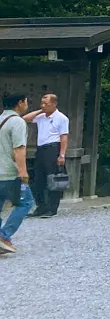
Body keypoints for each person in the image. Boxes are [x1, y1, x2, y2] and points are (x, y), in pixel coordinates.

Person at [23, 89, 67, 218]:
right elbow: (25, 118)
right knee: (38, 179)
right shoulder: (41, 117)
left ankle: (52, 208)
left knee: (52, 178)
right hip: (41, 149)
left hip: (53, 148)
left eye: (46, 103)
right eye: (42, 103)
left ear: (54, 104)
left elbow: (64, 137)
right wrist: (41, 110)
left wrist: (62, 155)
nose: (43, 105)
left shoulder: (61, 118)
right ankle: (40, 206)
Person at [0, 91, 33, 254]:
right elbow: (19, 148)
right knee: (26, 202)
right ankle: (4, 236)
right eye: (26, 101)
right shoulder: (17, 122)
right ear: (20, 103)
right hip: (9, 172)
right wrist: (23, 172)